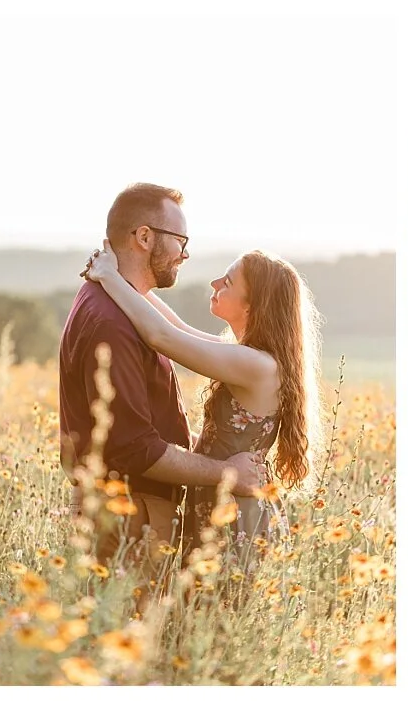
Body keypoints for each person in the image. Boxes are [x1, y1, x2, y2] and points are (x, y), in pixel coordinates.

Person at [82, 194, 324, 563]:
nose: (214, 283)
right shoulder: (248, 357)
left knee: (218, 613)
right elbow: (176, 327)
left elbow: (163, 337)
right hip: (220, 501)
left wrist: (109, 276)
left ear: (251, 305)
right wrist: (127, 283)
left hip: (234, 515)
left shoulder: (258, 365)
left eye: (227, 282)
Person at [60, 183, 264, 569]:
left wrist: (113, 277)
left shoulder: (114, 306)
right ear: (144, 237)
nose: (185, 253)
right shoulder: (112, 323)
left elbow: (174, 332)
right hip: (129, 517)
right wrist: (225, 473)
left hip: (130, 514)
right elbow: (135, 448)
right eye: (180, 240)